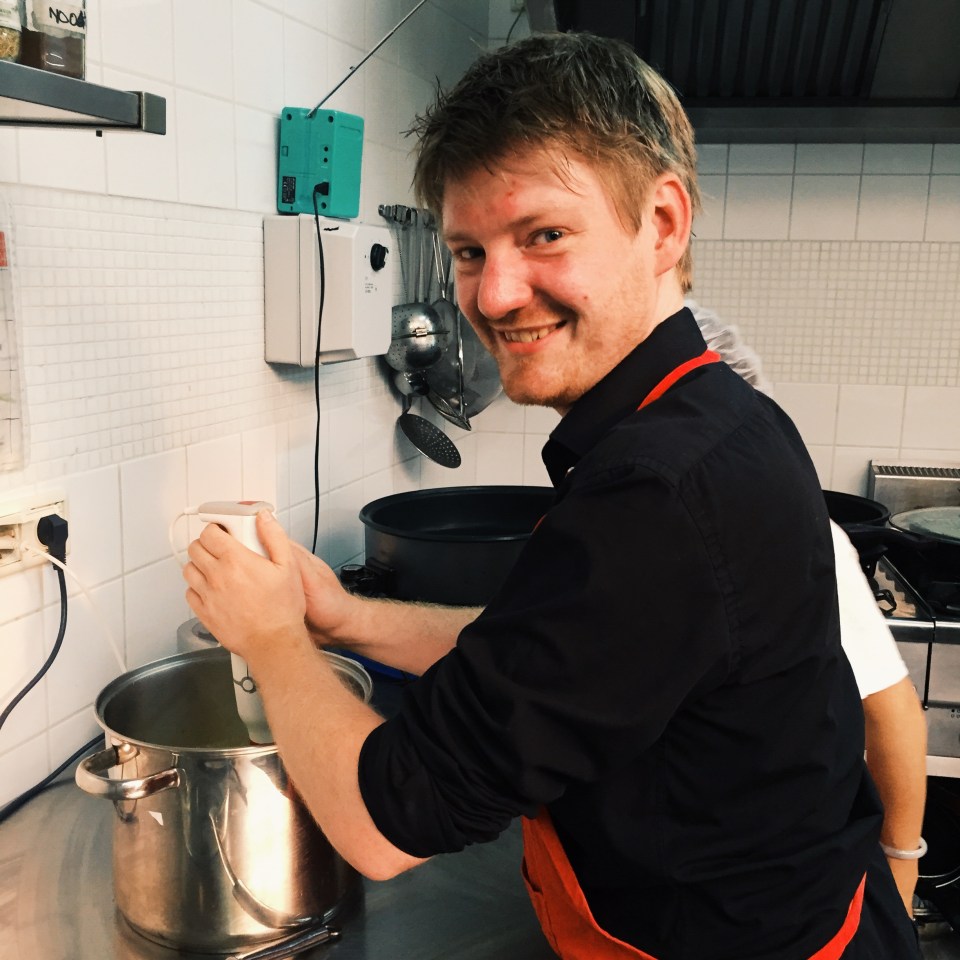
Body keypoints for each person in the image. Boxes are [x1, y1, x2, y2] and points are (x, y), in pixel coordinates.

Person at [184, 32, 922, 959]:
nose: (494, 295)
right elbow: (560, 653)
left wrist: (272, 641)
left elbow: (383, 826)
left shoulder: (657, 490)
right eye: (467, 251)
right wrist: (345, 620)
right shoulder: (715, 413)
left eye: (544, 235)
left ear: (663, 223)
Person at [688, 299, 929, 919]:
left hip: (773, 890)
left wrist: (901, 869)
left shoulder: (788, 537)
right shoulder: (637, 532)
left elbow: (892, 714)